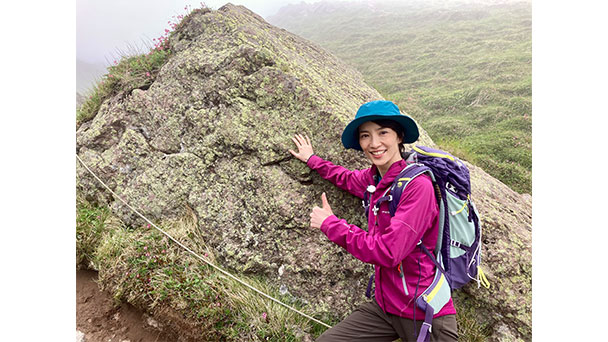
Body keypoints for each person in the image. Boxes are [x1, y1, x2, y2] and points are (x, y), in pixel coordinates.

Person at [288, 100, 458, 342]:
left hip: (424, 312)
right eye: (365, 135)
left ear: (400, 137)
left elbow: (389, 251)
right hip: (386, 308)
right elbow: (345, 178)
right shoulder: (375, 179)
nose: (374, 143)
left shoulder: (417, 187)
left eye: (383, 132)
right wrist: (312, 159)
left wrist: (330, 224)